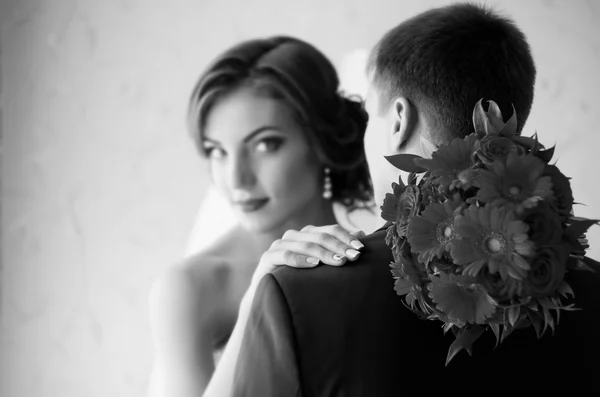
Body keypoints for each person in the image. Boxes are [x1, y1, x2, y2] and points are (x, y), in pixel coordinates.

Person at [207, 4, 600, 396]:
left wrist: (264, 288)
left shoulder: (298, 294)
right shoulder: (591, 287)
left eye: (367, 113)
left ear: (398, 120)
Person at [146, 36, 375, 396]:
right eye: (217, 151)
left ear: (323, 141)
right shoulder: (191, 287)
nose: (236, 178)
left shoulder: (378, 260)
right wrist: (260, 298)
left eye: (265, 144)